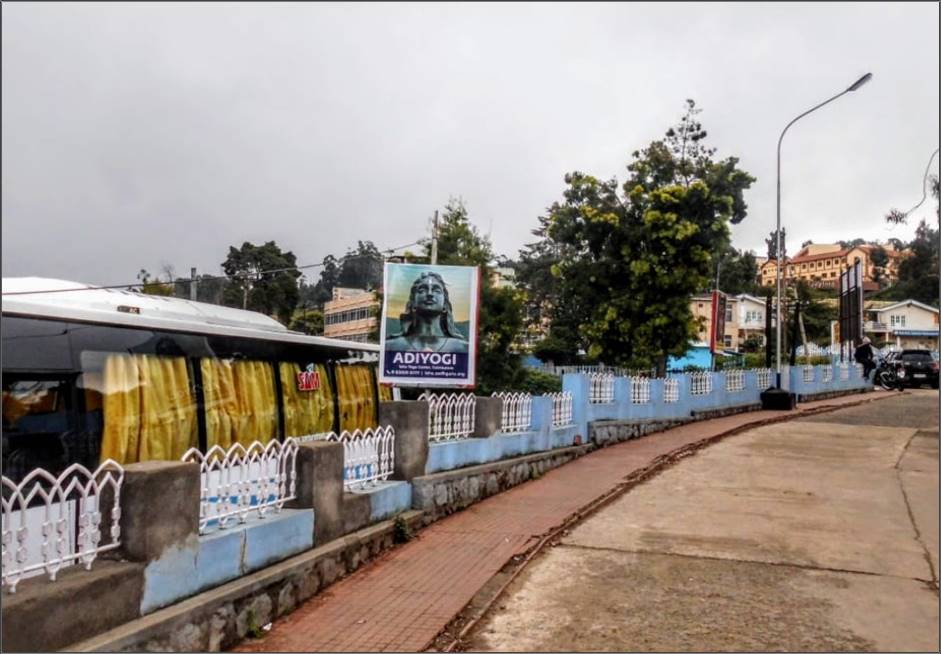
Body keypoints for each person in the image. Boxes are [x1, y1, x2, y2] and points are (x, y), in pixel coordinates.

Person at [385, 271, 469, 353]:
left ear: (445, 306)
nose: (430, 294)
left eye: (437, 291)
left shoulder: (463, 347)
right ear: (413, 304)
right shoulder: (392, 346)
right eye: (422, 290)